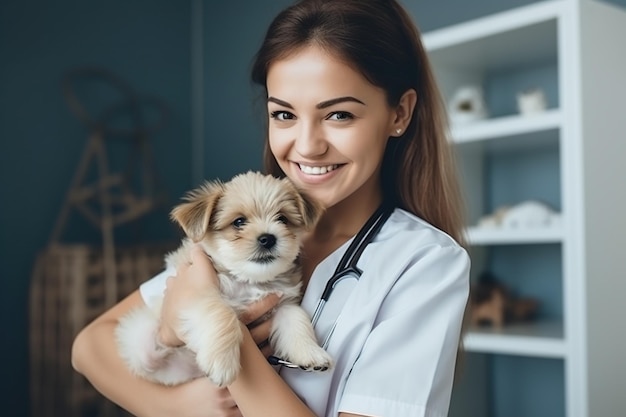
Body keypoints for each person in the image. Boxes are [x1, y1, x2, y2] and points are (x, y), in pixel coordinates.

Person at [71, 0, 471, 416]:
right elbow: (89, 346)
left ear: (399, 113)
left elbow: (198, 316)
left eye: (338, 114)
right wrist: (177, 407)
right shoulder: (225, 241)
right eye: (284, 114)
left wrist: (222, 329)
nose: (308, 145)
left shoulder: (425, 263)